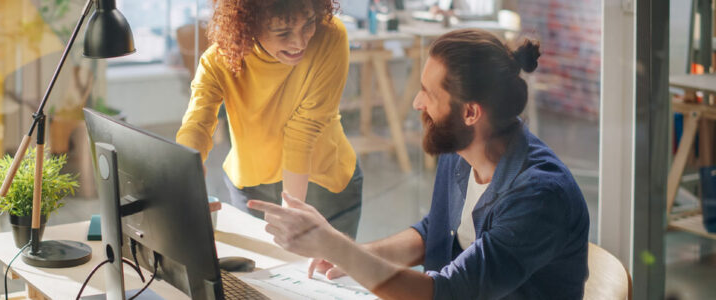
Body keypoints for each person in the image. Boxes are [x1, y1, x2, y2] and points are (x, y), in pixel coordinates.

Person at [249, 29, 590, 299]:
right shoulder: (460, 151)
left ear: (470, 112)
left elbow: (448, 293)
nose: (416, 103)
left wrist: (334, 244)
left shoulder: (540, 195)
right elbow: (435, 233)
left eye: (428, 93)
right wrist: (354, 257)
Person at [176, 0, 363, 238]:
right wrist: (184, 178)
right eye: (283, 32)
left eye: (308, 24)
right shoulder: (219, 60)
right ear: (248, 25)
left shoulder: (329, 35)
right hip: (252, 188)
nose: (300, 41)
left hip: (323, 181)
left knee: (325, 274)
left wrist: (292, 213)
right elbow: (197, 124)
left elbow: (304, 129)